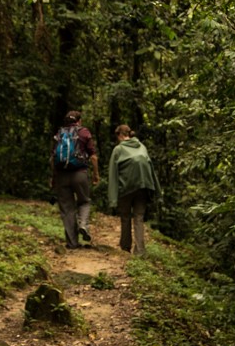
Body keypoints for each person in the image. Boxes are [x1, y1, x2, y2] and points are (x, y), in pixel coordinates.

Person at [107, 124, 160, 256]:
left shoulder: (118, 149)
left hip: (126, 188)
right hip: (143, 186)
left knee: (125, 217)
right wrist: (156, 191)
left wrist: (112, 199)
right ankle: (140, 251)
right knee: (139, 218)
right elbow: (151, 169)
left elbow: (113, 174)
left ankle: (125, 248)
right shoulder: (142, 147)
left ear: (120, 135)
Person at [50, 110, 100, 249]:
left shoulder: (59, 134)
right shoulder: (84, 132)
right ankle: (83, 224)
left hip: (61, 175)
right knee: (84, 202)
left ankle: (72, 243)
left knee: (67, 209)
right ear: (78, 121)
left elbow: (53, 158)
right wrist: (96, 174)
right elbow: (93, 156)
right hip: (80, 174)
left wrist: (53, 178)